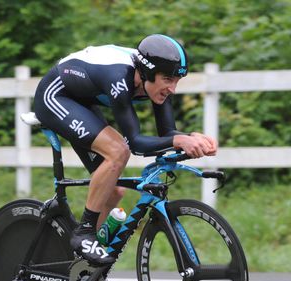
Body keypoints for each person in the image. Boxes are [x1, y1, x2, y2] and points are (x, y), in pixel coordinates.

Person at [34, 34, 217, 266]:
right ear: (147, 73)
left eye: (177, 81)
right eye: (168, 79)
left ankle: (79, 267)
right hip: (56, 96)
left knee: (114, 191)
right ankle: (84, 233)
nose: (173, 88)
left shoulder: (156, 82)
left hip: (83, 101)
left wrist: (191, 138)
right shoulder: (119, 77)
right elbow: (136, 143)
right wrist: (180, 141)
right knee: (118, 151)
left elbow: (168, 134)